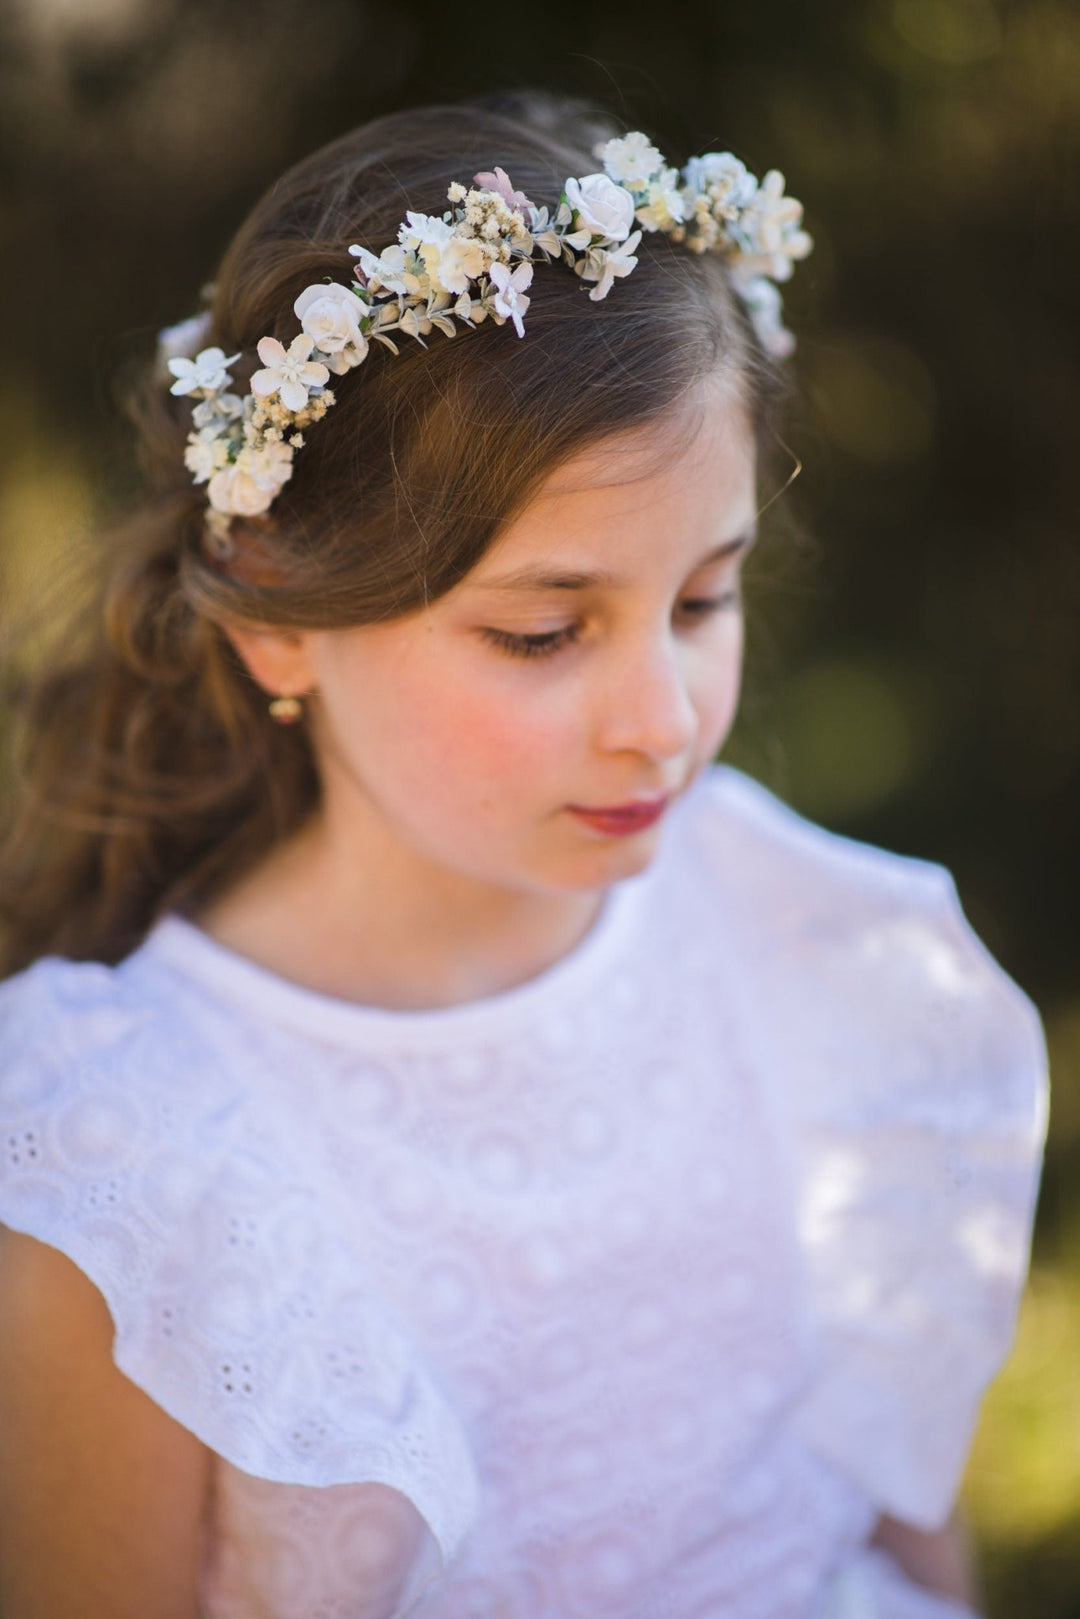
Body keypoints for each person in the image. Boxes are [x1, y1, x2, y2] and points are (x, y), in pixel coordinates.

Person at [0, 88, 1048, 1619]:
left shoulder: (795, 923)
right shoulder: (118, 1168)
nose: (666, 723)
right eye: (543, 633)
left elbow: (897, 1504)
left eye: (704, 602)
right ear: (279, 617)